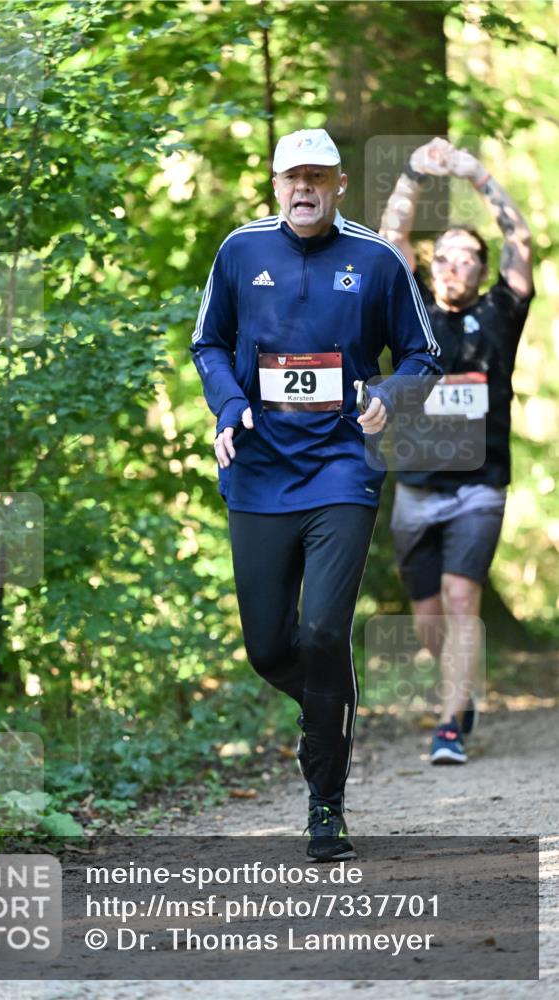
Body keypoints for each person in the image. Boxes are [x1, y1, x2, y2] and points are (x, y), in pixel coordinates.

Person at [191, 128, 441, 860]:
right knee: (269, 649)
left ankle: (324, 805)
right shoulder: (240, 251)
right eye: (290, 178)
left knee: (325, 634)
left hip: (341, 467)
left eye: (317, 177)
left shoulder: (375, 258)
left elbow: (423, 354)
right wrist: (228, 404)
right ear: (275, 185)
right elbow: (208, 343)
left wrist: (389, 397)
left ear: (337, 184)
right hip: (259, 469)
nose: (303, 189)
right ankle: (327, 709)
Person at [379, 137, 534, 765]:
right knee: (426, 616)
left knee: (462, 594)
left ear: (480, 269)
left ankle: (450, 724)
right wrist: (414, 173)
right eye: (444, 256)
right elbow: (392, 239)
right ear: (432, 262)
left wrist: (475, 174)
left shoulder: (501, 311)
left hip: (479, 484)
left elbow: (520, 240)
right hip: (415, 488)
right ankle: (459, 690)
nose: (454, 266)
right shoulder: (411, 307)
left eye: (468, 258)